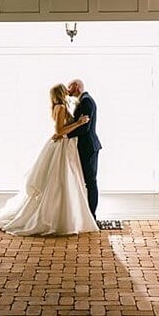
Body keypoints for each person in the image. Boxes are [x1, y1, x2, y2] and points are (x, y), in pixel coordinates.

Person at [0, 83, 99, 236]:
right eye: (66, 89)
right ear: (61, 93)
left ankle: (67, 215)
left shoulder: (64, 106)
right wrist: (78, 123)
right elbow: (58, 131)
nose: (68, 91)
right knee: (59, 181)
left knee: (64, 181)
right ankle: (60, 216)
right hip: (61, 145)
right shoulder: (61, 108)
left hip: (65, 146)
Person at [62, 79, 101, 219]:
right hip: (85, 146)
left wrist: (65, 134)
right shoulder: (83, 100)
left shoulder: (86, 101)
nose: (67, 89)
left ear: (77, 86)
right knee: (87, 181)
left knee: (90, 182)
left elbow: (85, 128)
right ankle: (87, 215)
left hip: (88, 147)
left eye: (69, 86)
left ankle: (91, 216)